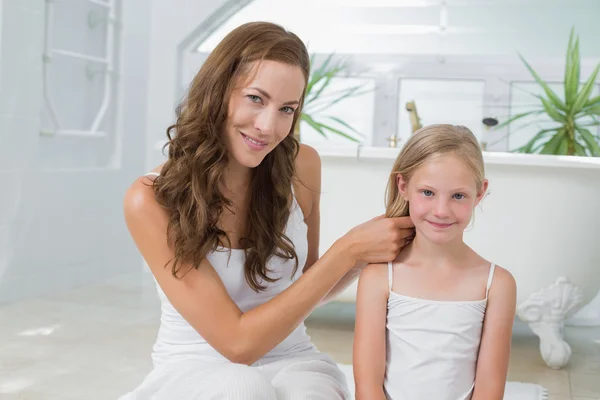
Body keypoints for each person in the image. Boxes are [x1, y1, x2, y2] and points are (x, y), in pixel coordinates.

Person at [119, 21, 414, 400]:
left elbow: (309, 288)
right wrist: (349, 250)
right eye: (256, 98)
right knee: (243, 388)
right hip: (196, 366)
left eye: (287, 109)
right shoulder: (151, 199)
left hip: (291, 357)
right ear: (219, 91)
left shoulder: (301, 166)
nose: (268, 127)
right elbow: (237, 344)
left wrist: (366, 253)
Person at [353, 124, 517, 400]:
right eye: (428, 193)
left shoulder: (496, 284)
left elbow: (489, 389)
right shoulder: (379, 277)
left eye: (458, 196)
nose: (441, 211)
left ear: (479, 193)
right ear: (403, 185)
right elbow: (368, 387)